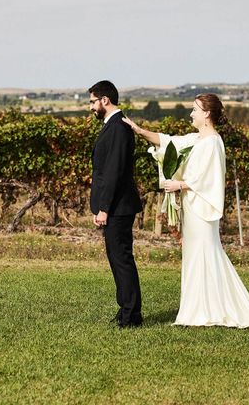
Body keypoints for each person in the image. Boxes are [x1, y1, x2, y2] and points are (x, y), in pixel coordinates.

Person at [123, 94, 249, 328]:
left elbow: (209, 178)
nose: (191, 114)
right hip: (191, 207)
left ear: (206, 113)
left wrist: (179, 185)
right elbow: (168, 141)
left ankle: (206, 310)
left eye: (195, 110)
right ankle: (198, 309)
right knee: (195, 255)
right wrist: (138, 130)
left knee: (205, 253)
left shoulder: (213, 142)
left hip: (201, 209)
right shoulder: (196, 139)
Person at [89, 80, 144, 328]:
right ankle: (125, 309)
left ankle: (132, 314)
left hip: (119, 207)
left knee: (121, 258)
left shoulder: (119, 128)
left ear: (105, 100)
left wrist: (104, 208)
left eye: (92, 101)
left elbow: (113, 172)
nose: (90, 107)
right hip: (115, 206)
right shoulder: (111, 126)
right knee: (116, 258)